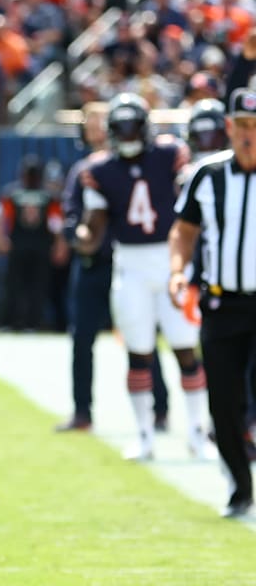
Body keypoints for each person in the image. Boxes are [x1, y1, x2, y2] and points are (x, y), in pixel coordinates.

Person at [74, 92, 212, 461]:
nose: (127, 133)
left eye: (132, 125)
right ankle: (145, 435)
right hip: (130, 264)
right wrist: (83, 237)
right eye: (120, 127)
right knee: (138, 353)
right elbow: (94, 224)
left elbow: (191, 199)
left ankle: (197, 433)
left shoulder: (170, 154)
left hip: (171, 261)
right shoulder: (99, 170)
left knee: (186, 348)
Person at [56, 102, 170, 432]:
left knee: (142, 335)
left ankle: (160, 408)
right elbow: (72, 214)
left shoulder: (139, 165)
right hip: (94, 264)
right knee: (82, 338)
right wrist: (78, 235)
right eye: (90, 123)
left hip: (130, 262)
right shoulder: (86, 170)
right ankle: (82, 411)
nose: (96, 130)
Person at [168, 87, 256, 518]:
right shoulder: (207, 175)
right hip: (221, 305)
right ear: (228, 128)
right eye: (242, 125)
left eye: (255, 126)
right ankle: (240, 486)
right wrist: (177, 271)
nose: (249, 135)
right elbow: (183, 231)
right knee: (222, 401)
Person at [0, 154, 65, 331]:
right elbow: (58, 223)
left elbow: (57, 222)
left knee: (29, 285)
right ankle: (19, 323)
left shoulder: (15, 193)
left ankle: (19, 323)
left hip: (30, 245)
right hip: (31, 245)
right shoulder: (41, 195)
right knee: (21, 285)